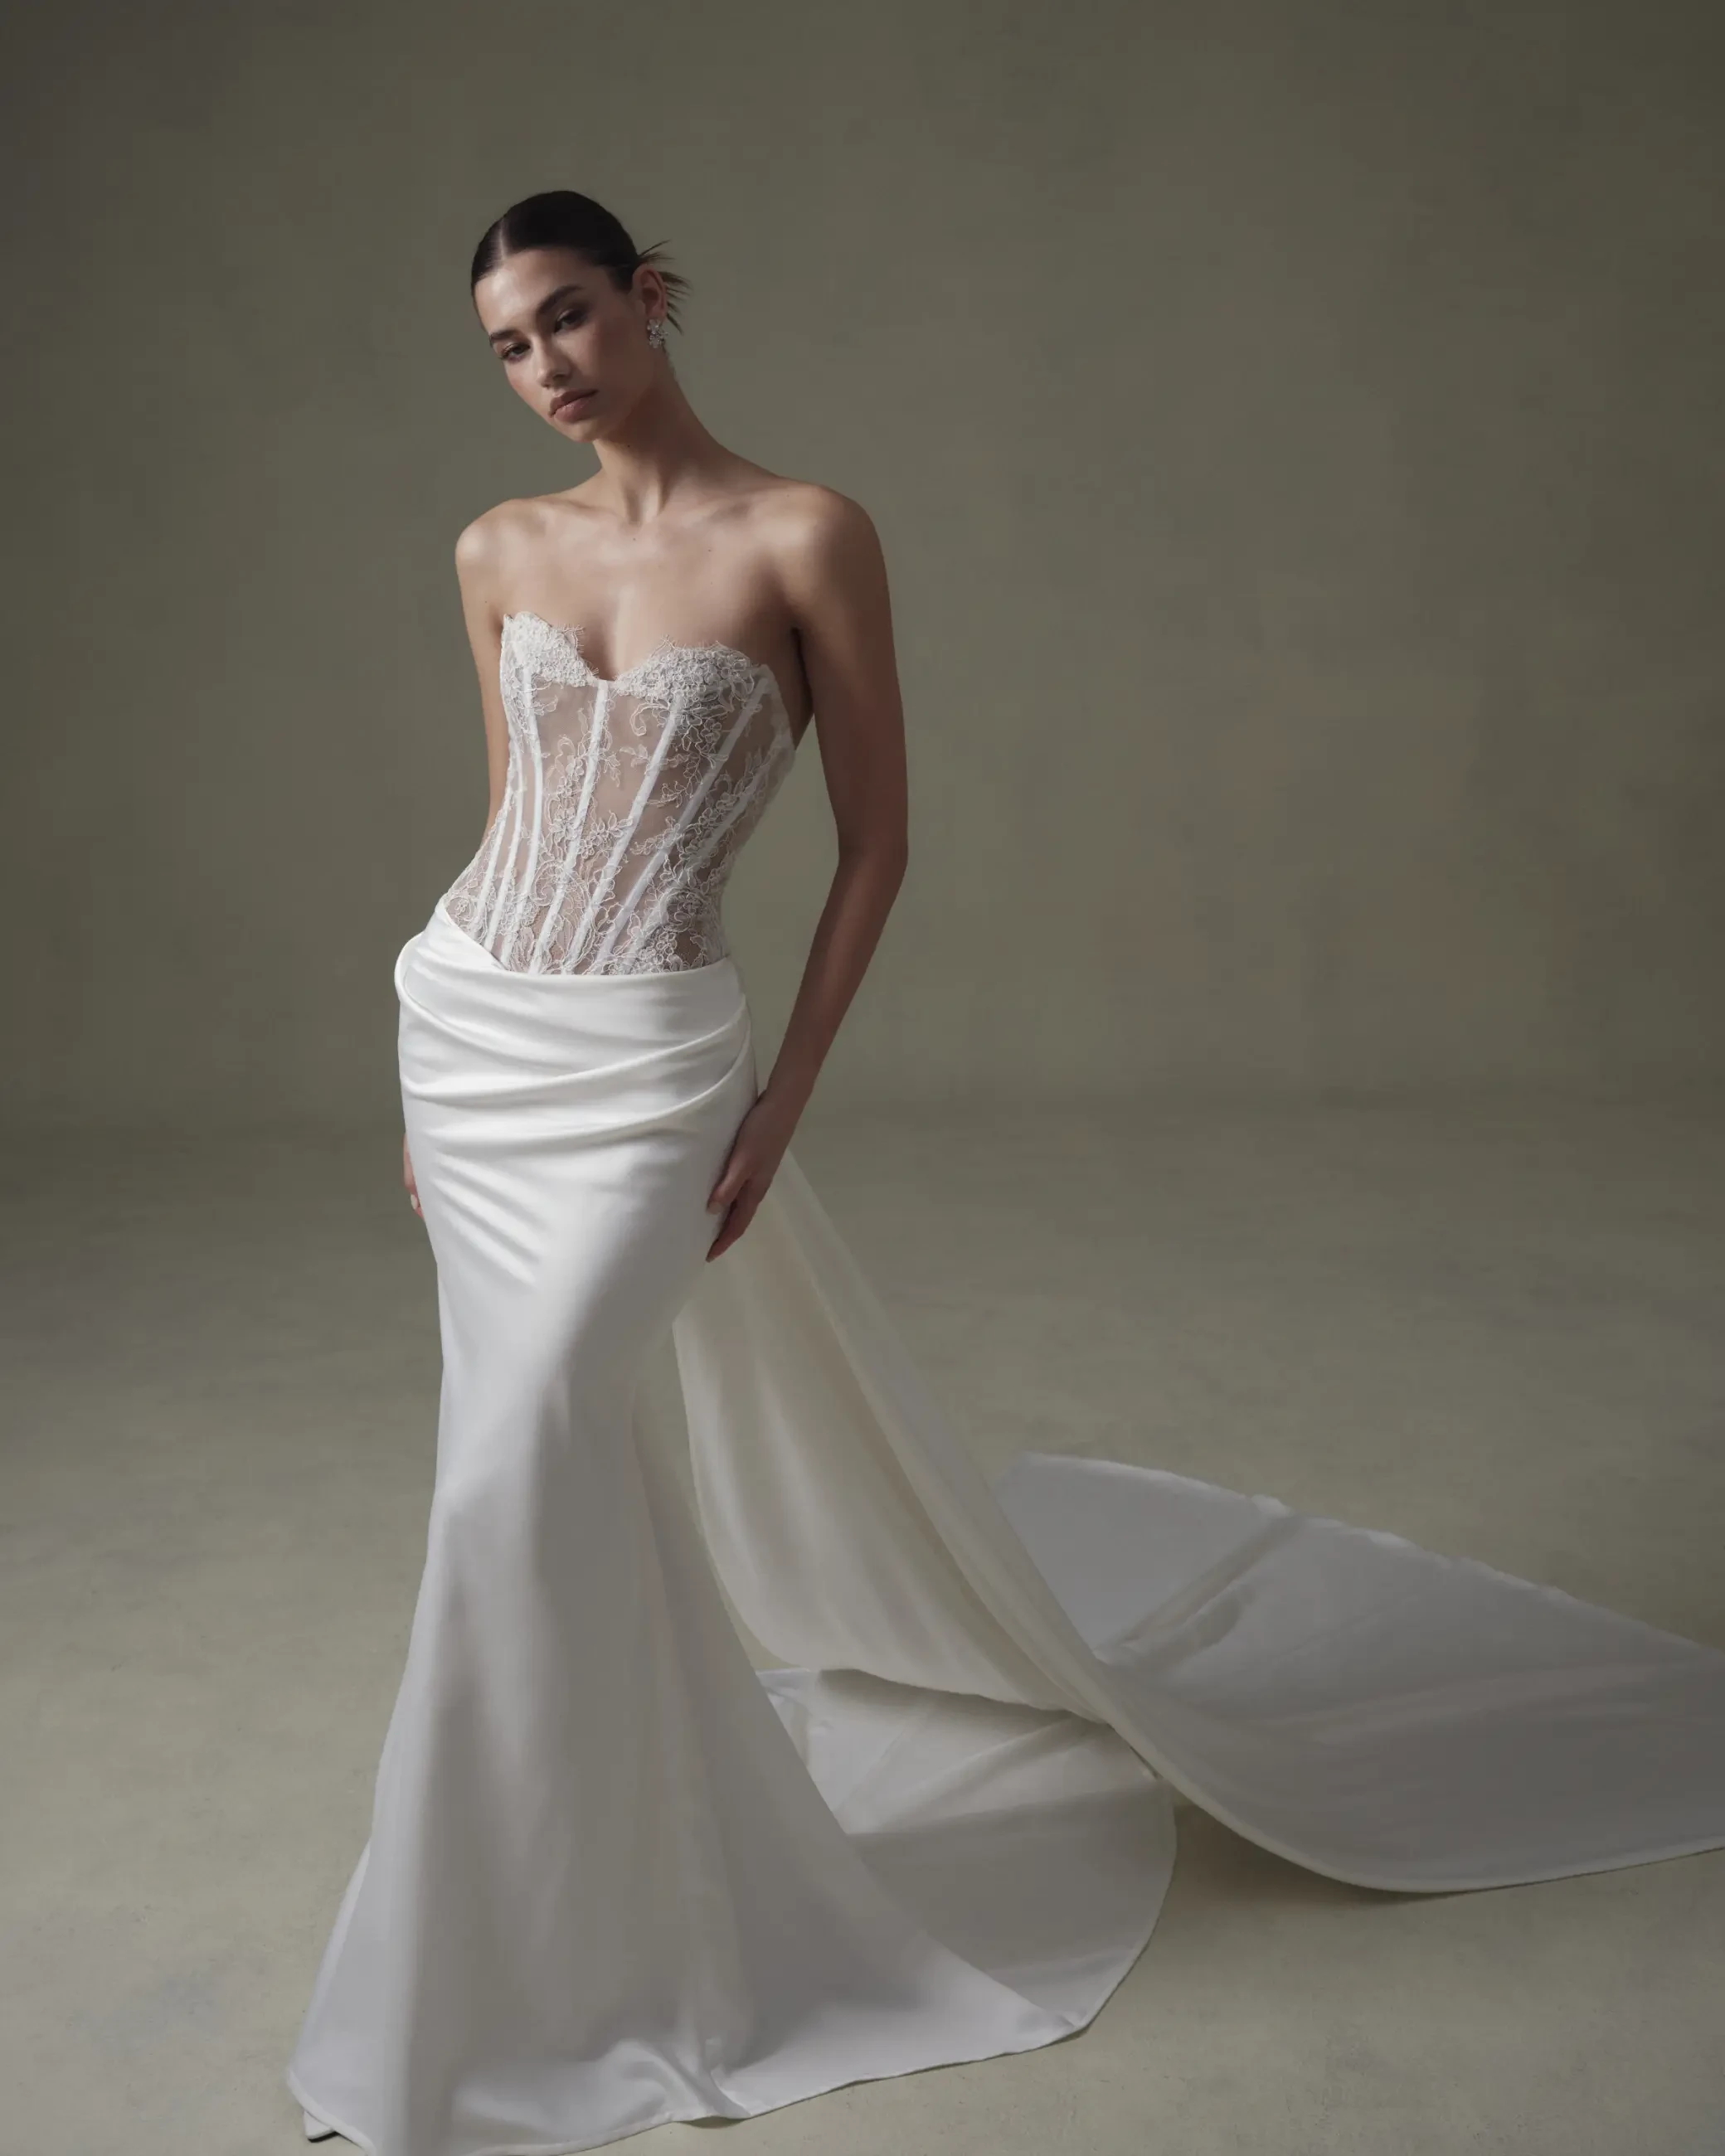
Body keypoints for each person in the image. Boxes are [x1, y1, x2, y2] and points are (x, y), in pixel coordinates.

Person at [286, 190, 1725, 2156]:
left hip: (644, 1071)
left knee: (522, 1458)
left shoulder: (806, 534)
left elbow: (876, 841)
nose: (545, 368)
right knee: (550, 1478)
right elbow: (514, 812)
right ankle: (547, 1943)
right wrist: (426, 1061)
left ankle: (482, 1974)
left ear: (650, 297)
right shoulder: (493, 548)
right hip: (473, 1031)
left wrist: (782, 1094)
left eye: (568, 318)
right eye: (508, 346)